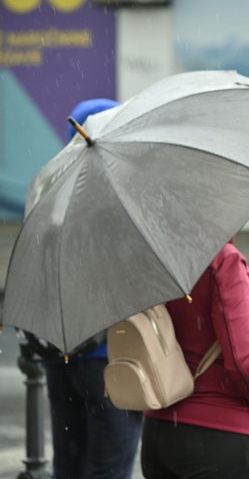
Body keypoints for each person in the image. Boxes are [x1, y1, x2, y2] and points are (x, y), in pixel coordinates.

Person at [27, 98, 144, 479]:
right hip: (111, 358)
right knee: (109, 466)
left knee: (69, 465)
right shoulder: (118, 194)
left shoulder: (49, 190)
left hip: (61, 356)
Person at [140, 241, 249, 479]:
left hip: (160, 430)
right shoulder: (221, 259)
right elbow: (244, 357)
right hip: (218, 436)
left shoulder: (157, 253)